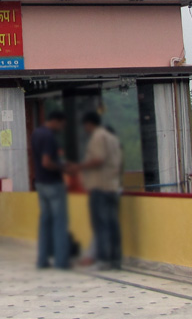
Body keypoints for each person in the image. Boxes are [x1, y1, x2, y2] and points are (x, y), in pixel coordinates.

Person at [78, 111, 123, 269]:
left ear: (89, 124)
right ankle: (115, 259)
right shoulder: (112, 138)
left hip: (100, 187)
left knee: (101, 225)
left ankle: (104, 259)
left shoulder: (98, 136)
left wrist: (80, 166)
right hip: (112, 186)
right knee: (113, 225)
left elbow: (98, 159)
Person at [31, 110, 74, 269]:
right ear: (56, 121)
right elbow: (47, 162)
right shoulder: (49, 136)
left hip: (41, 183)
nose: (62, 128)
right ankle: (61, 261)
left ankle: (42, 260)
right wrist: (64, 168)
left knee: (45, 223)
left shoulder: (36, 133)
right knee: (59, 223)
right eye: (62, 124)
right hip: (53, 184)